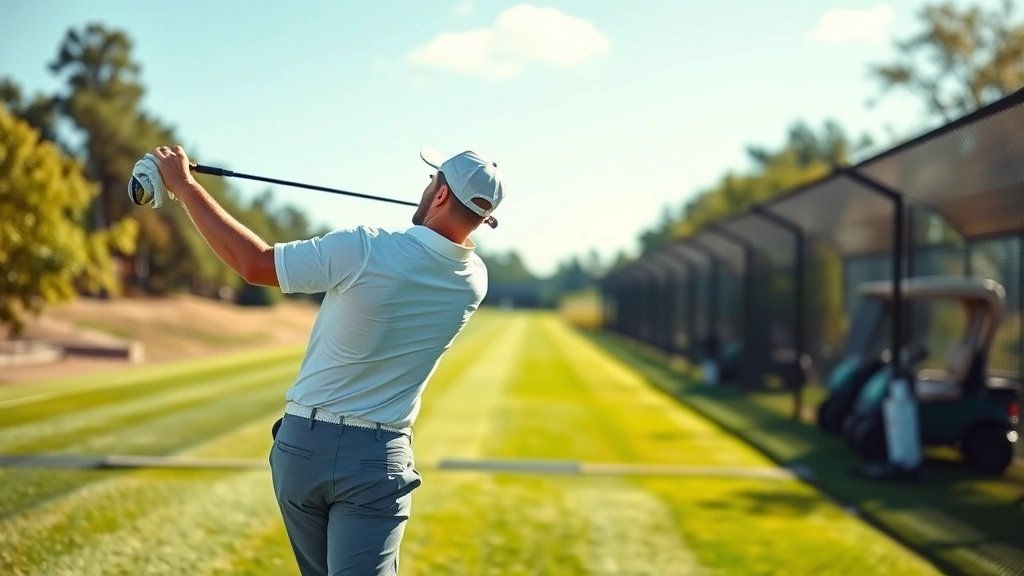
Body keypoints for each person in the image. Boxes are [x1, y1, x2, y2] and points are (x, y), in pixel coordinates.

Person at [147, 144, 507, 576]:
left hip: (300, 447)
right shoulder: (473, 281)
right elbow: (446, 243)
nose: (426, 186)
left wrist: (184, 186)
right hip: (377, 460)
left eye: (431, 181)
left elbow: (255, 263)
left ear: (442, 195)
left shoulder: (363, 248)